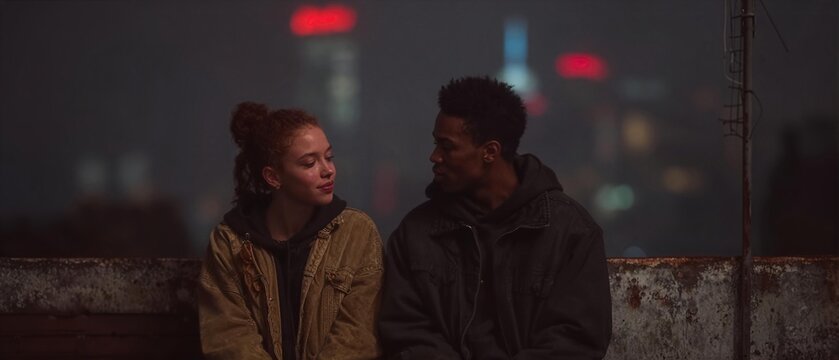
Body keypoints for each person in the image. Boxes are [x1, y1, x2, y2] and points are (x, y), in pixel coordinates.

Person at [379, 76, 612, 359]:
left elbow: (575, 340)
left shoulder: (570, 232)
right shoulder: (415, 234)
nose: (434, 156)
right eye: (435, 144)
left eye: (447, 146)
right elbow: (407, 332)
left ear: (490, 151)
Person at [198, 102, 383, 359]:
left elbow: (356, 337)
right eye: (309, 163)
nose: (328, 170)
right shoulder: (230, 242)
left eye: (328, 157)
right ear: (273, 177)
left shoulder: (356, 234)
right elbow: (229, 339)